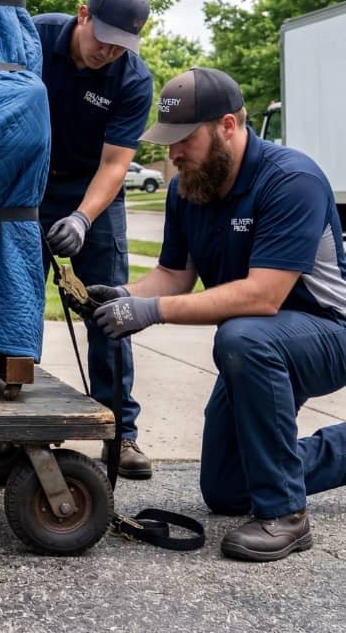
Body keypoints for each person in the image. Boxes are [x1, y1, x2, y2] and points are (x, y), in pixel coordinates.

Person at [89, 66, 346, 562]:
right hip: (261, 345)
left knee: (243, 335)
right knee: (226, 489)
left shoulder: (291, 180)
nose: (173, 154)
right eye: (167, 142)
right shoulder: (189, 188)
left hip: (328, 334)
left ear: (227, 126)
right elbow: (173, 275)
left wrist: (152, 311)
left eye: (184, 139)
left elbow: (263, 297)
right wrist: (120, 294)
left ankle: (285, 514)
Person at [0, 0, 155, 476]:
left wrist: (83, 217)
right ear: (83, 15)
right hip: (24, 183)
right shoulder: (32, 40)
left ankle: (121, 435)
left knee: (108, 309)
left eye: (122, 44)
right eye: (103, 37)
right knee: (8, 302)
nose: (108, 51)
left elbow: (116, 164)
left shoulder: (132, 79)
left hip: (90, 189)